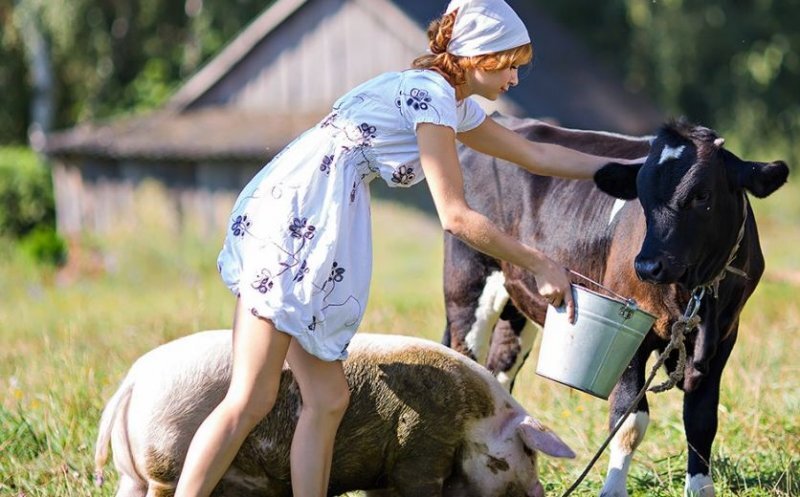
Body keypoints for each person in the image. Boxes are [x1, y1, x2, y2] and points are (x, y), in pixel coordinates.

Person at [174, 0, 642, 495]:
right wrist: (538, 262)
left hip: (306, 206)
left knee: (328, 398)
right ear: (479, 57)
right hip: (301, 218)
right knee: (251, 398)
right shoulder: (432, 96)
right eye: (510, 65)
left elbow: (533, 153)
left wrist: (629, 171)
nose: (515, 80)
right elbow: (455, 216)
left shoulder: (449, 103)